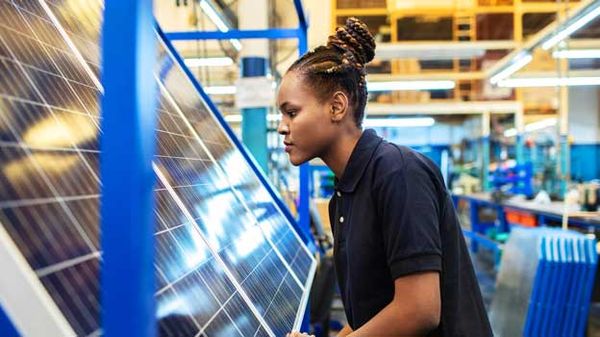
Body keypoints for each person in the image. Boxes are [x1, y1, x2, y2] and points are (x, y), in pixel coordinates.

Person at [280, 17, 492, 337]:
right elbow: (371, 311)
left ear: (337, 107)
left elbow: (418, 310)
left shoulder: (399, 174)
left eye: (291, 112)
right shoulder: (346, 195)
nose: (283, 126)